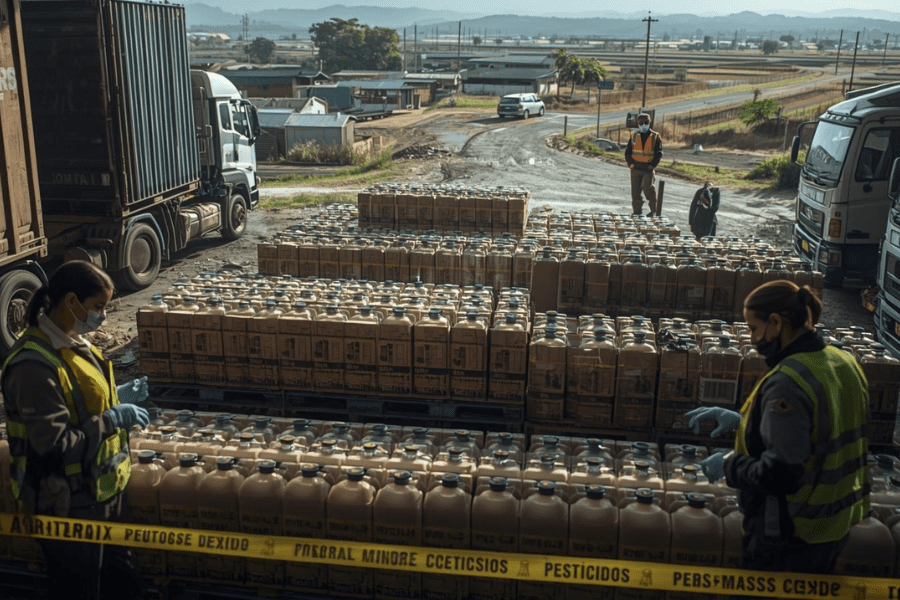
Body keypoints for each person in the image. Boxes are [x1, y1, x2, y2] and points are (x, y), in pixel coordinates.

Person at [685, 280, 870, 575]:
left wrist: (730, 465)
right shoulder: (844, 361)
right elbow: (821, 428)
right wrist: (745, 423)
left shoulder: (788, 381)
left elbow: (781, 473)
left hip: (789, 534)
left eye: (754, 328)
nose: (752, 339)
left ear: (775, 322)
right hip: (835, 526)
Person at [1, 260, 151, 599]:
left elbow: (81, 399)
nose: (103, 316)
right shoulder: (32, 365)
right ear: (71, 302)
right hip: (69, 504)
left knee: (124, 585)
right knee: (81, 590)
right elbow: (54, 446)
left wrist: (117, 398)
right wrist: (111, 420)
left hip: (104, 492)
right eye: (98, 306)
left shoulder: (74, 343)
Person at [624, 112, 663, 217]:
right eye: (641, 123)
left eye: (646, 122)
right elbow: (627, 152)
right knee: (635, 192)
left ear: (649, 123)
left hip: (648, 169)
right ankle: (637, 212)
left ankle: (653, 211)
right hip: (635, 168)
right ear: (638, 123)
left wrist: (652, 166)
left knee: (648, 189)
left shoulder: (655, 136)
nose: (643, 125)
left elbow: (659, 153)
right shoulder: (634, 135)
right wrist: (630, 164)